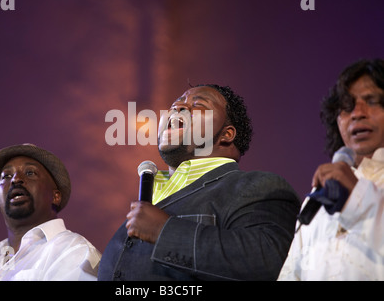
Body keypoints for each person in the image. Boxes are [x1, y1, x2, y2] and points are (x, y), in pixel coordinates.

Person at [98, 84, 301, 281]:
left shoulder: (256, 187)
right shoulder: (150, 194)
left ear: (226, 134)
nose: (177, 108)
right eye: (174, 106)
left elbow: (270, 263)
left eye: (198, 105)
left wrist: (165, 233)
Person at [279, 58, 384, 280]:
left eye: (371, 100)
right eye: (346, 106)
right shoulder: (317, 198)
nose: (357, 113)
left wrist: (358, 199)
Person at [0, 144, 101, 281]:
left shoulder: (74, 251)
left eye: (30, 173)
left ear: (55, 196)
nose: (15, 179)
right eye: (6, 176)